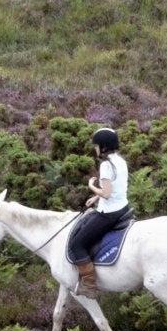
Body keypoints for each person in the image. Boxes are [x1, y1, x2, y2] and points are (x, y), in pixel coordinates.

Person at [66, 127, 131, 297]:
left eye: (96, 146)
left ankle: (89, 284)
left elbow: (107, 193)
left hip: (109, 213)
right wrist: (95, 199)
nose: (95, 149)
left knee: (76, 244)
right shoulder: (120, 161)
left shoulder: (106, 165)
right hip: (121, 206)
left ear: (103, 146)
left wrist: (91, 187)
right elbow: (116, 188)